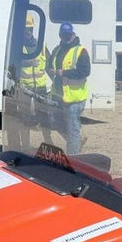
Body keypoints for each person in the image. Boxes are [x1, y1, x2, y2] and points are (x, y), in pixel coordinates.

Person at [49, 22, 91, 154]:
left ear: (73, 34)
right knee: (54, 121)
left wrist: (64, 73)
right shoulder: (57, 50)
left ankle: (73, 158)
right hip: (58, 95)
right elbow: (50, 65)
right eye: (63, 34)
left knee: (72, 128)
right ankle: (78, 139)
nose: (65, 37)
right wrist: (51, 71)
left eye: (68, 35)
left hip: (75, 98)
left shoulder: (81, 51)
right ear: (59, 35)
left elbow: (85, 71)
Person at [19, 15, 49, 94]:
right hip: (25, 88)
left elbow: (49, 65)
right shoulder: (16, 46)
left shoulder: (41, 45)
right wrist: (27, 63)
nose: (29, 32)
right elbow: (12, 63)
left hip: (41, 89)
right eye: (26, 29)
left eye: (31, 29)